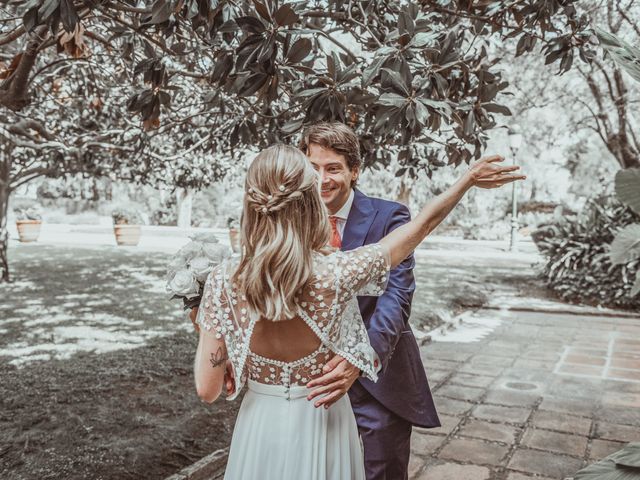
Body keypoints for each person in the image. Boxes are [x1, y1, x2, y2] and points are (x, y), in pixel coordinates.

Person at [193, 143, 524, 479]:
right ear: (309, 203)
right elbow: (420, 227)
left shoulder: (223, 279)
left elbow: (208, 390)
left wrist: (220, 343)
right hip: (322, 420)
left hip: (259, 422)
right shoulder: (338, 272)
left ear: (251, 203)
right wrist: (466, 180)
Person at [299, 122, 434, 479]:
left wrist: (358, 360)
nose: (322, 179)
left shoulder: (390, 216)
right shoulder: (292, 220)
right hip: (312, 380)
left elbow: (396, 297)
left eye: (333, 169)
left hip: (378, 377)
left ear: (354, 171)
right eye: (313, 168)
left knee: (383, 472)